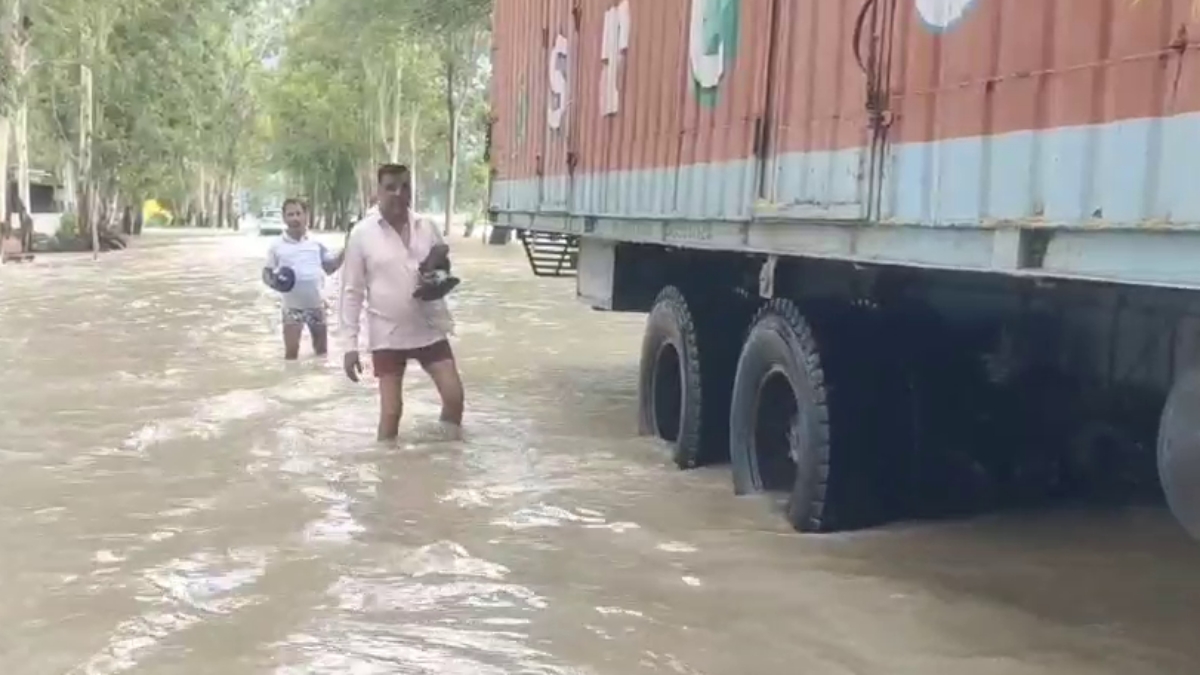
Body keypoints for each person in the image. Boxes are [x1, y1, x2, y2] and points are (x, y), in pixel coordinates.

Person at [339, 164, 466, 441]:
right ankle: (386, 472)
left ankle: (445, 459)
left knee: (454, 397)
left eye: (405, 187)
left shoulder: (427, 227)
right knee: (392, 412)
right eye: (391, 187)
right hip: (387, 333)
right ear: (378, 191)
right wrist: (350, 346)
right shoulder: (362, 234)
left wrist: (438, 278)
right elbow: (352, 292)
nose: (398, 193)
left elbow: (442, 266)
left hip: (429, 325)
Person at [264, 198, 344, 360]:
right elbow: (266, 273)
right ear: (284, 218)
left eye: (298, 214)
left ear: (306, 216)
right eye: (290, 214)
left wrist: (347, 248)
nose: (295, 218)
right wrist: (274, 282)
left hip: (316, 306)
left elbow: (330, 268)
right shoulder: (276, 245)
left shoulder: (316, 243)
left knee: (321, 354)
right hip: (292, 308)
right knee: (291, 356)